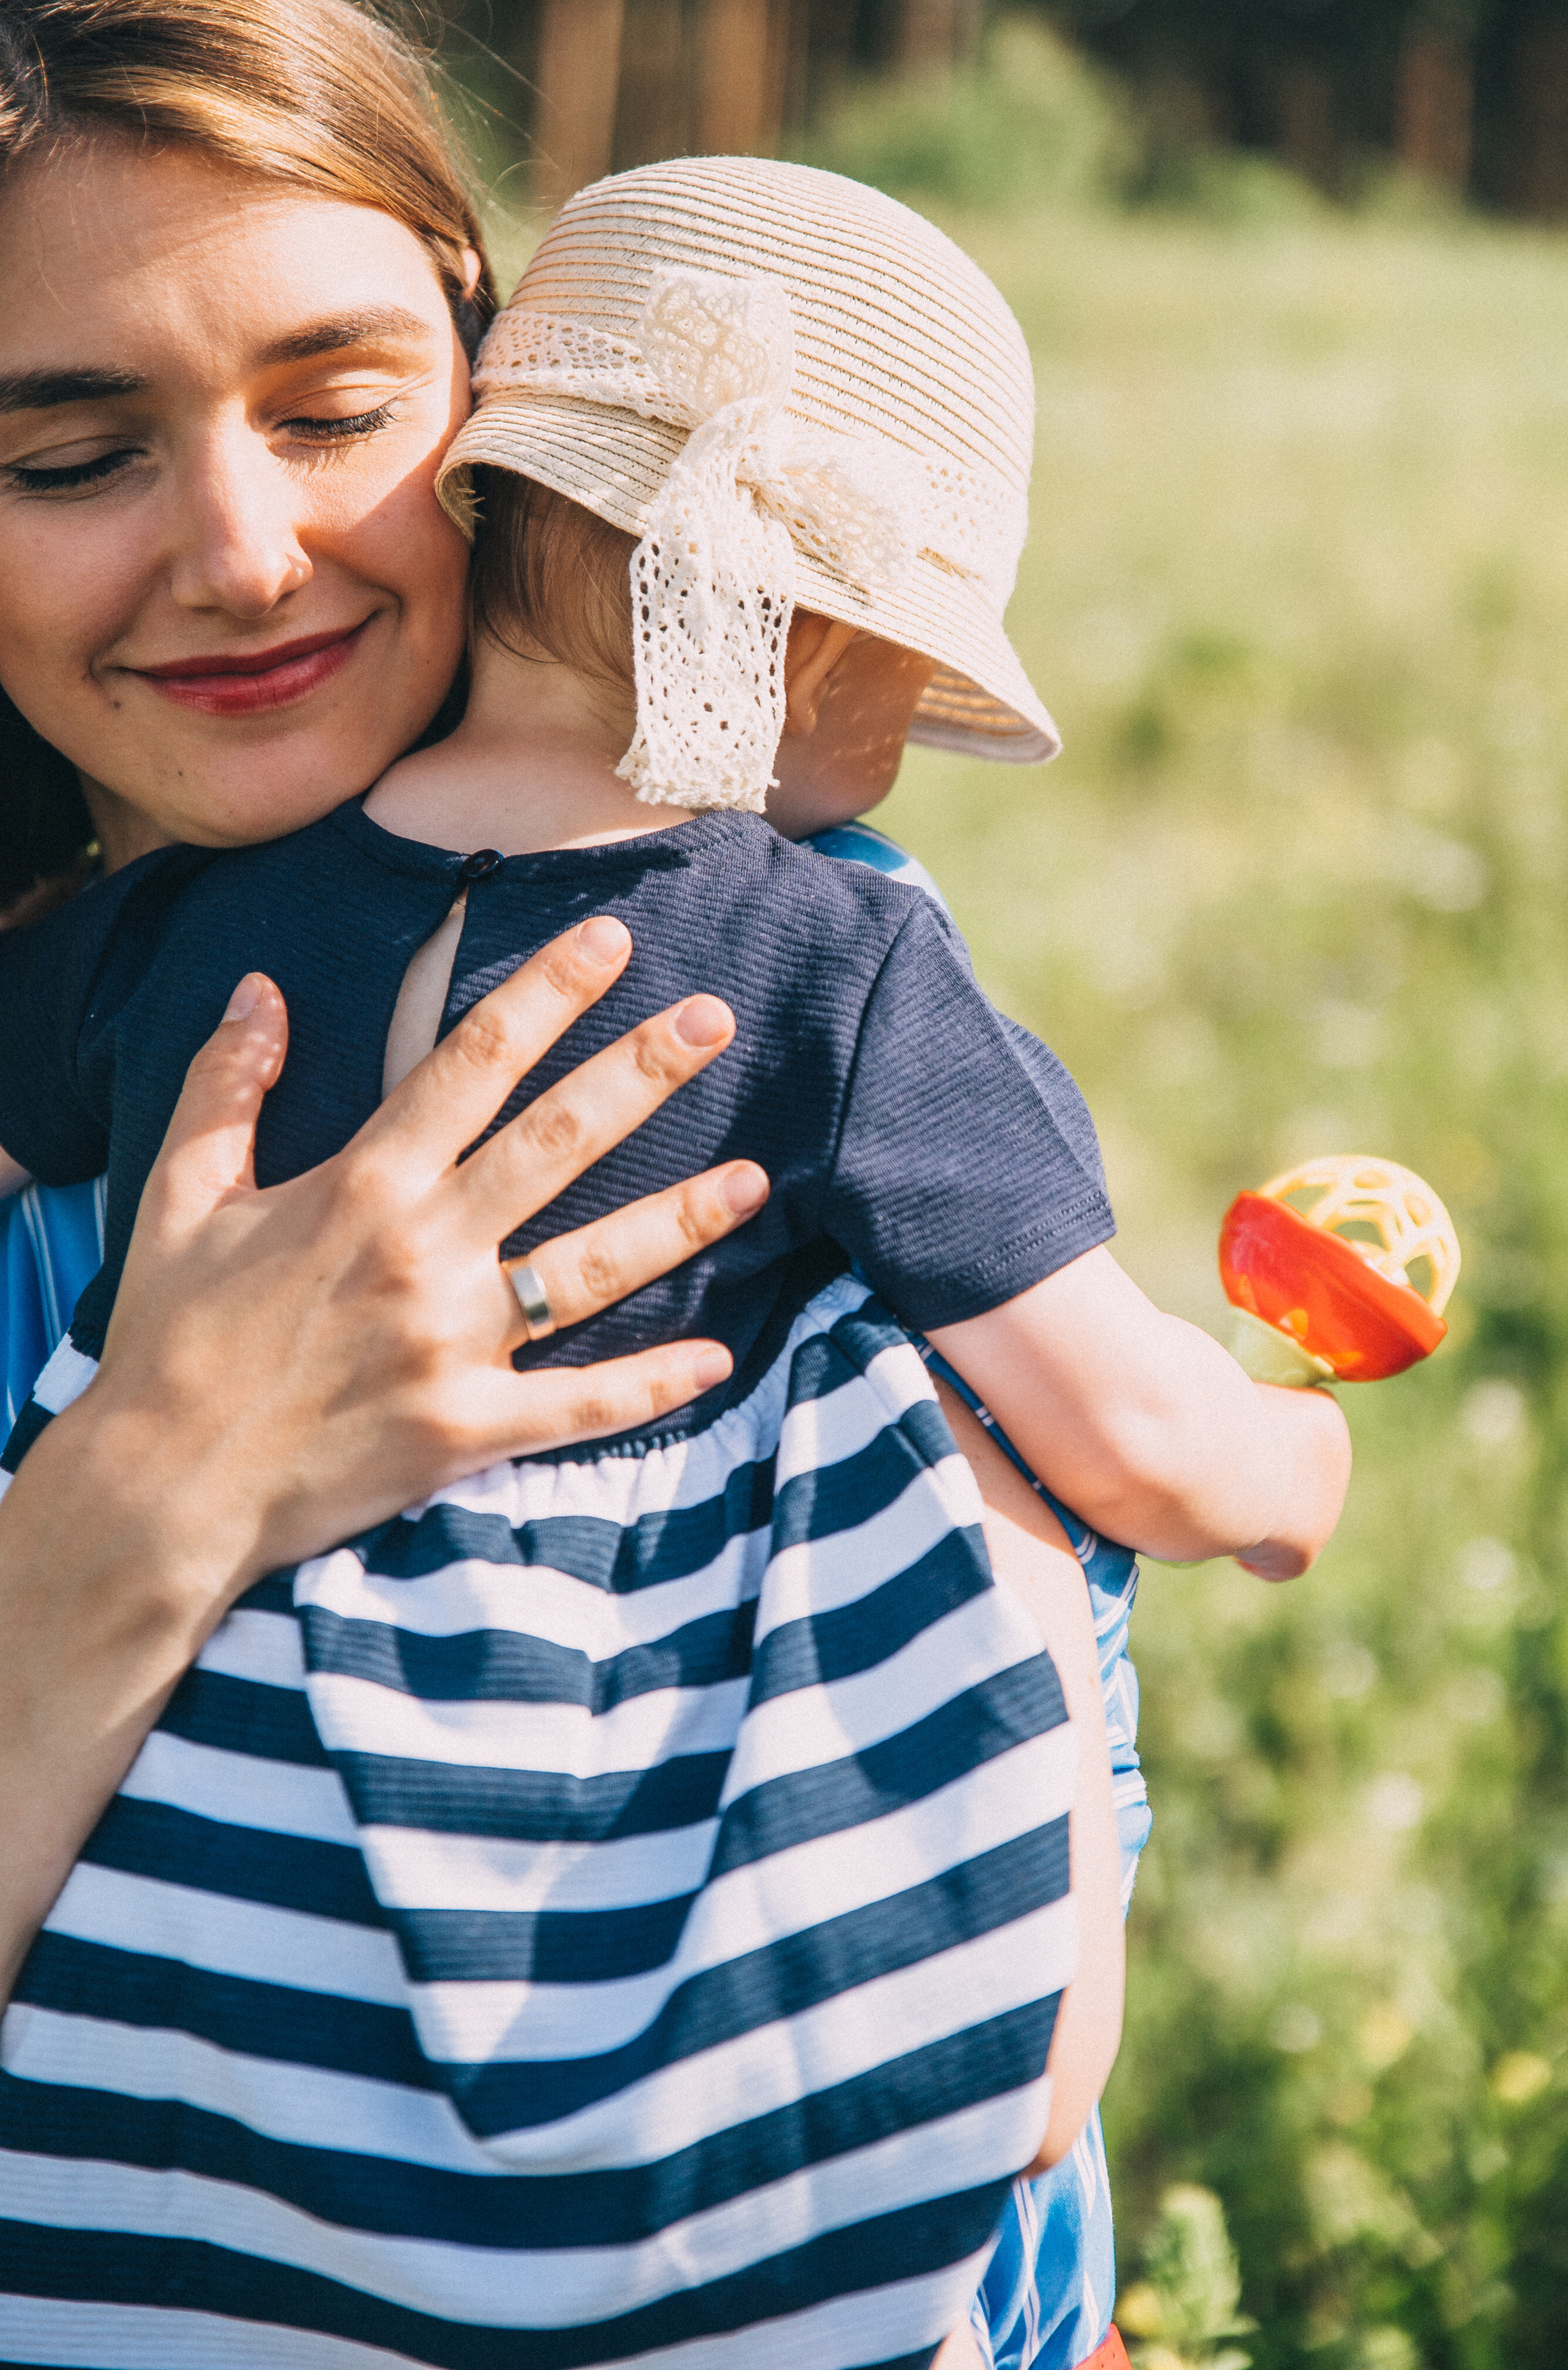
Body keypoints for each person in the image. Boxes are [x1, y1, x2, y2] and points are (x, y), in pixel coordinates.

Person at [0, 138, 1349, 2368]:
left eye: (334, 416)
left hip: (204, 2039)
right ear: (808, 645)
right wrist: (1292, 1475)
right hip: (715, 2062)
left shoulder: (163, 940)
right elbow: (1136, 1441)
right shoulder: (842, 972)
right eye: (908, 681)